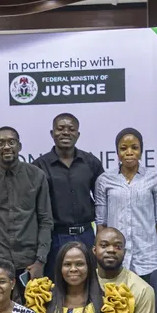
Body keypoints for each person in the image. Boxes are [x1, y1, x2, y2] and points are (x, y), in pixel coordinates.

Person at [0, 126, 53, 291]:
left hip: (30, 260)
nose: (6, 147)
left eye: (11, 142)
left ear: (19, 146)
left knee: (35, 305)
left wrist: (40, 260)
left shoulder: (36, 176)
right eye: (0, 143)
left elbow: (45, 220)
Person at [34, 113, 105, 270]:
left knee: (90, 278)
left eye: (71, 129)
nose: (66, 132)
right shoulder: (39, 166)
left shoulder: (91, 162)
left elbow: (103, 201)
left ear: (78, 134)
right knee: (56, 280)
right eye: (60, 128)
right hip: (55, 237)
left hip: (87, 235)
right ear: (52, 133)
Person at [95, 128, 157, 278]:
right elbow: (101, 223)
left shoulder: (155, 179)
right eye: (123, 148)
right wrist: (100, 261)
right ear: (117, 152)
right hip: (115, 259)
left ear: (141, 151)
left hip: (148, 259)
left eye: (134, 148)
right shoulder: (104, 180)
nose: (129, 152)